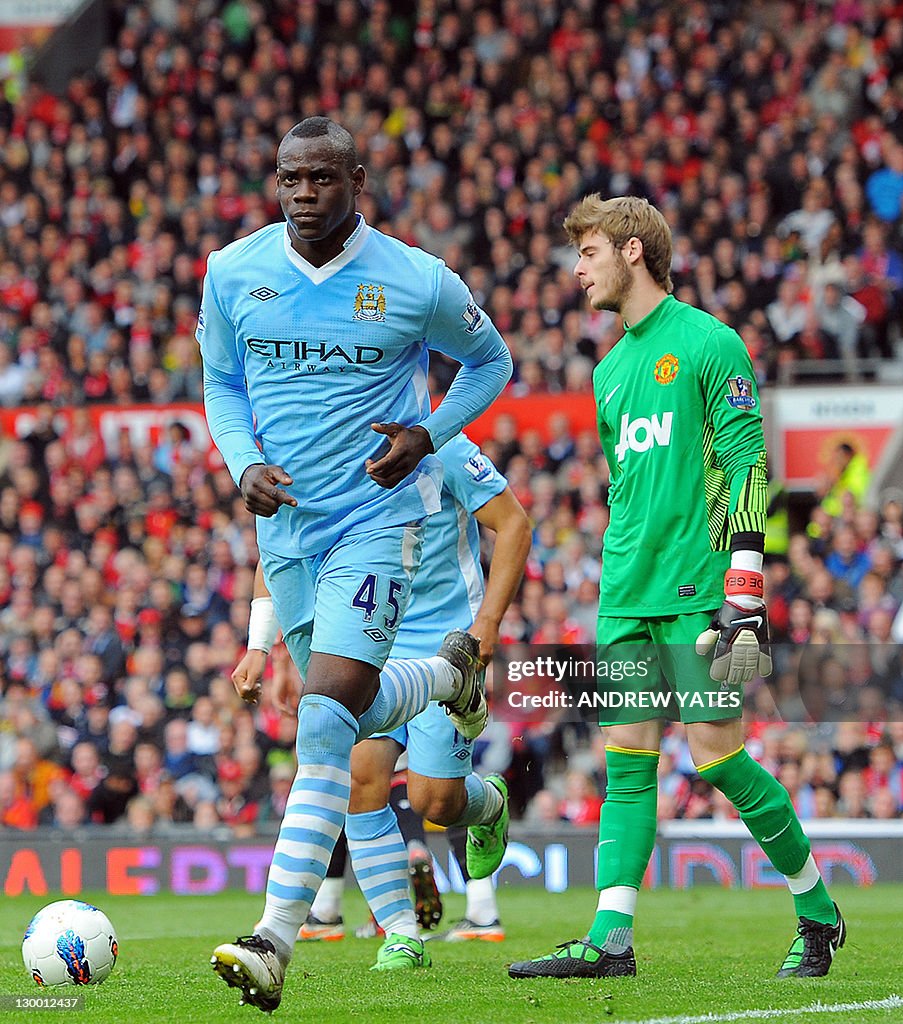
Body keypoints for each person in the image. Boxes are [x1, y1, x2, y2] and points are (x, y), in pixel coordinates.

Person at [200, 117, 512, 1012]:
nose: (303, 194)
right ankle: (445, 677)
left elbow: (491, 362)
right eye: (289, 178)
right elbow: (221, 384)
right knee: (346, 716)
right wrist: (239, 463)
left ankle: (273, 939)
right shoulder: (234, 273)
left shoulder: (416, 280)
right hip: (285, 534)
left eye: (322, 179)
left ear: (358, 181)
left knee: (326, 723)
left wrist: (426, 434)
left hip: (378, 525)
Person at [509, 195, 844, 980]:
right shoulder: (606, 373)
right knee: (626, 760)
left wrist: (744, 593)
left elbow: (746, 468)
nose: (577, 269)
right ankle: (609, 939)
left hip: (698, 591)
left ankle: (816, 909)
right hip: (624, 594)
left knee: (717, 759)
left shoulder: (708, 343)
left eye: (587, 252)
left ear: (632, 250)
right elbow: (628, 491)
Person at [233, 432, 531, 959]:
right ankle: (401, 933)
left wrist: (486, 624)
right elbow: (281, 546)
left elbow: (513, 525)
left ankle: (488, 806)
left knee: (434, 800)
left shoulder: (443, 447)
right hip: (368, 633)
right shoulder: (325, 448)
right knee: (360, 782)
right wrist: (265, 647)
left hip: (444, 641)